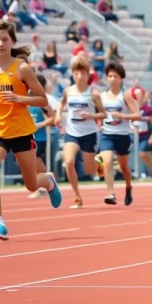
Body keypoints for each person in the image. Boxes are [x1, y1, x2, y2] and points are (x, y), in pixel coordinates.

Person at [0, 22, 62, 240]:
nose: (0, 43)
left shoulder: (22, 68)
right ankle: (0, 223)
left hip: (21, 131)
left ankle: (47, 181)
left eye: (4, 39)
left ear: (12, 42)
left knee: (30, 185)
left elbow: (42, 99)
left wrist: (19, 98)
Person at [57, 56, 106, 209]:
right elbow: (61, 102)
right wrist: (58, 114)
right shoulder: (68, 91)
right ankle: (77, 197)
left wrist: (91, 115)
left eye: (83, 73)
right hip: (71, 132)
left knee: (89, 171)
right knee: (69, 162)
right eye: (77, 73)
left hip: (89, 133)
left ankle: (99, 162)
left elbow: (103, 114)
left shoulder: (94, 93)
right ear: (73, 74)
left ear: (87, 75)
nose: (79, 76)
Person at [99, 62, 142, 206]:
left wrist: (122, 116)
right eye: (109, 76)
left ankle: (128, 186)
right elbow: (98, 114)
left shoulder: (126, 95)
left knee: (124, 168)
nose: (112, 79)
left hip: (123, 135)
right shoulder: (102, 96)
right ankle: (110, 193)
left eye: (115, 76)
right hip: (107, 133)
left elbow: (137, 115)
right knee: (108, 161)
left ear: (121, 78)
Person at [27, 73, 60, 199]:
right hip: (27, 136)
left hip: (40, 137)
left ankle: (43, 184)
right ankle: (46, 179)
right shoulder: (25, 98)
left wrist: (39, 125)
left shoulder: (42, 101)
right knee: (29, 163)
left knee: (34, 161)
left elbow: (52, 118)